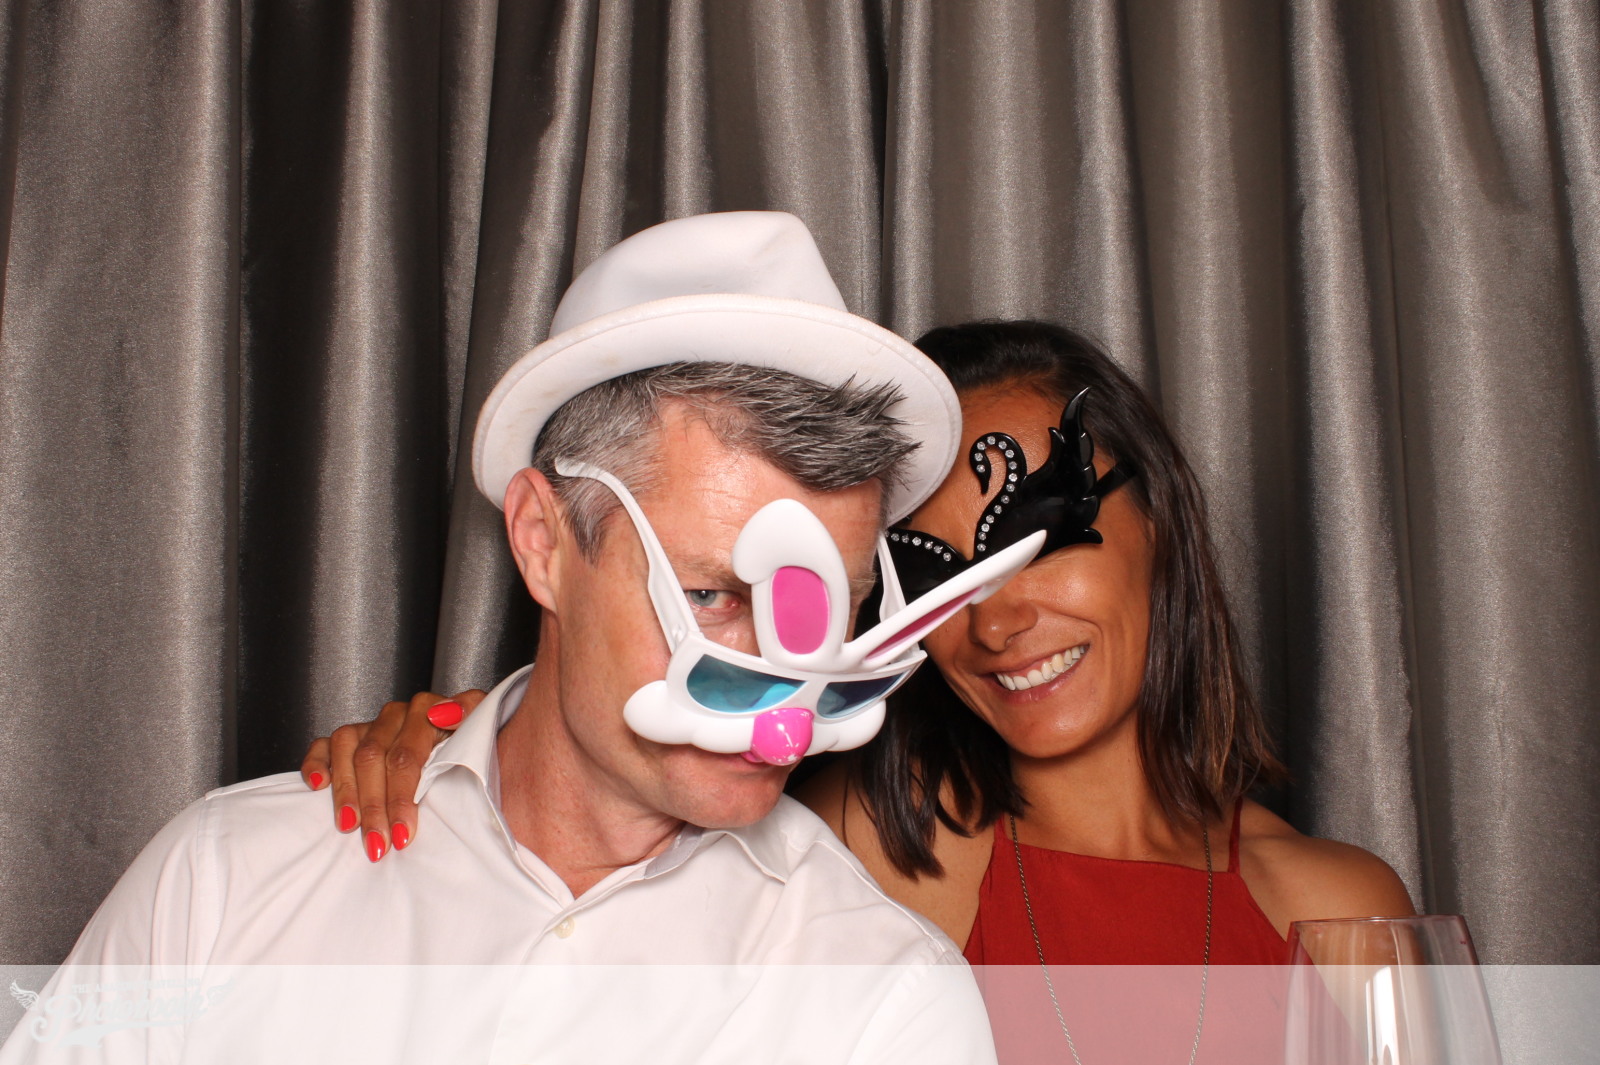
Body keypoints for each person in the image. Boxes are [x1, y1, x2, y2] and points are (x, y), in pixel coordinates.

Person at [0, 213, 1002, 1064]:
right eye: (709, 595)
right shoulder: (222, 884)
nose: (784, 686)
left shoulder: (883, 1005)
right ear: (542, 543)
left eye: (828, 610)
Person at [319, 320, 1416, 1063]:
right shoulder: (870, 842)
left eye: (1039, 537)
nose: (996, 621)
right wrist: (461, 745)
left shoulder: (1337, 903)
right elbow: (618, 780)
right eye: (933, 578)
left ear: (1159, 515)